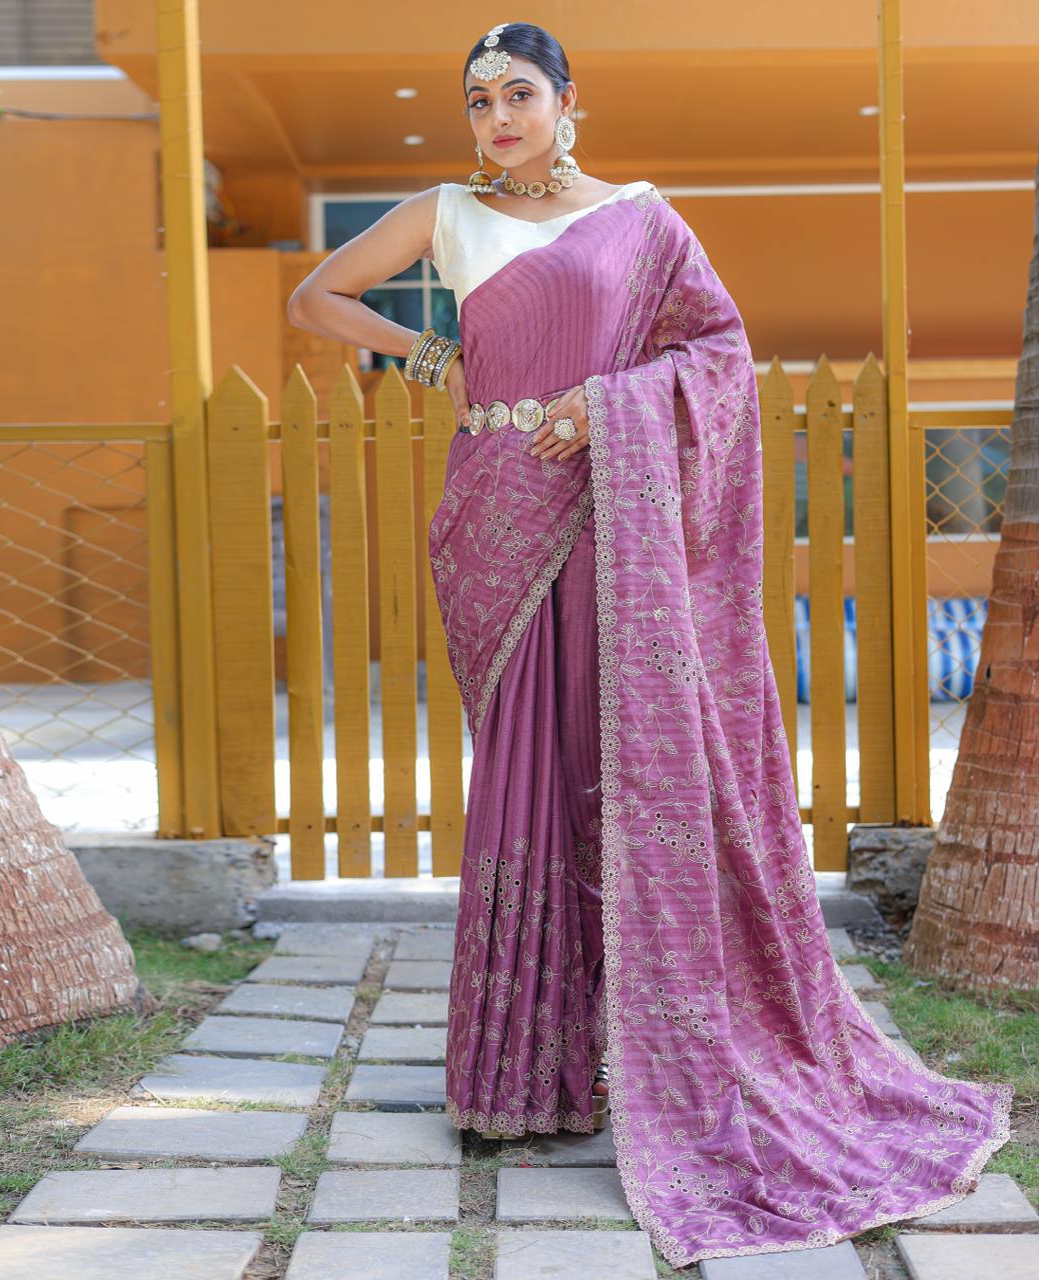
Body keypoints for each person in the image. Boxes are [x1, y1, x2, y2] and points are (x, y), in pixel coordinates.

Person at [287, 20, 1014, 1271]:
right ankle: (522, 1070)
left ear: (568, 100)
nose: (496, 118)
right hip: (492, 514)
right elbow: (313, 299)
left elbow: (715, 353)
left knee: (604, 766)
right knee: (521, 775)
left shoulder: (639, 219)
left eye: (518, 93)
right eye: (477, 100)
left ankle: (634, 1049)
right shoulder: (442, 213)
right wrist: (431, 353)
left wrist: (606, 405)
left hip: (605, 510)